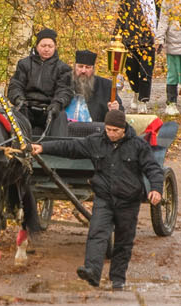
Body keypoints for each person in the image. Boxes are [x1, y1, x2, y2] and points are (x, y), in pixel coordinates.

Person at [30, 109, 164, 291]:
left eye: (115, 131)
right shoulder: (96, 142)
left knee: (124, 241)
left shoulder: (138, 146)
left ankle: (117, 278)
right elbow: (70, 148)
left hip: (128, 200)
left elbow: (153, 168)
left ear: (124, 128)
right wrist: (44, 147)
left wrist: (156, 189)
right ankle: (92, 271)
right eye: (108, 130)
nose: (111, 134)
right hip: (104, 198)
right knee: (97, 233)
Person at [8, 28, 75, 136]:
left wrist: (57, 103)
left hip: (49, 110)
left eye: (50, 46)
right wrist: (19, 99)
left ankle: (57, 148)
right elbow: (16, 85)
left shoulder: (63, 68)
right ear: (37, 46)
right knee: (12, 113)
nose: (46, 49)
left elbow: (65, 90)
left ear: (55, 48)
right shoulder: (24, 64)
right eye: (43, 46)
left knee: (61, 116)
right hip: (26, 107)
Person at [114, 0, 159, 106]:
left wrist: (159, 37)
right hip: (131, 37)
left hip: (149, 39)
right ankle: (136, 91)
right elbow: (122, 14)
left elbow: (161, 15)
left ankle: (143, 101)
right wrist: (116, 35)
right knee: (131, 69)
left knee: (146, 71)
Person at [67, 49, 118, 123]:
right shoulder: (65, 83)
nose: (83, 71)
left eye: (87, 67)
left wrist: (115, 110)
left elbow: (119, 115)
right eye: (80, 66)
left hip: (96, 130)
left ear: (93, 69)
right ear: (74, 67)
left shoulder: (106, 86)